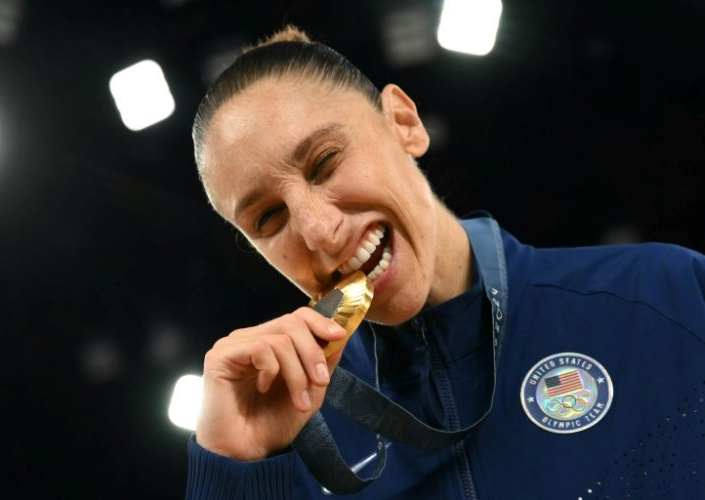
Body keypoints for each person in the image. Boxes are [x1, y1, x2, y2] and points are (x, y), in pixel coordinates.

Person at [184, 24, 705, 499]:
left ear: (404, 123)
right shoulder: (283, 435)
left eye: (325, 162)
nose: (319, 230)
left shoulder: (667, 298)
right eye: (270, 218)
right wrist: (230, 469)